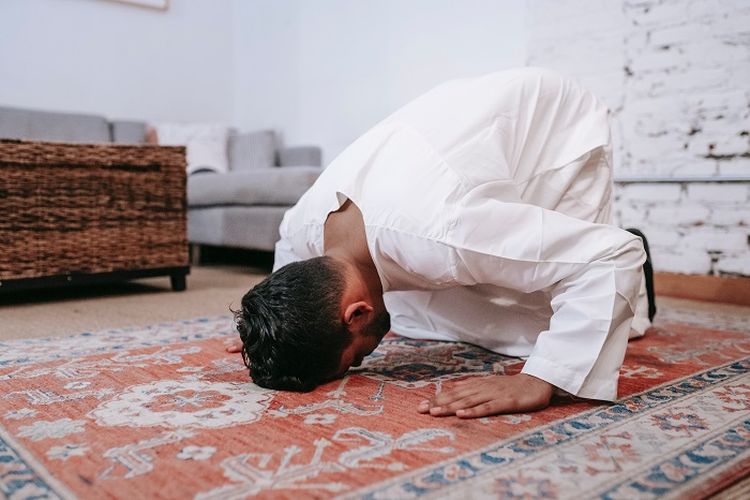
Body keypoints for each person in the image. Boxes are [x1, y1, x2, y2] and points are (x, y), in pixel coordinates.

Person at [229, 67, 655, 418]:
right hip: (462, 140)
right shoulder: (301, 227)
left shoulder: (446, 231)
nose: (364, 361)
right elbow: (287, 266)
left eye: (355, 358)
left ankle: (633, 278)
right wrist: (274, 328)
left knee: (565, 318)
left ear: (355, 313)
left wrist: (539, 379)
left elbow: (609, 258)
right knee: (418, 316)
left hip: (558, 128)